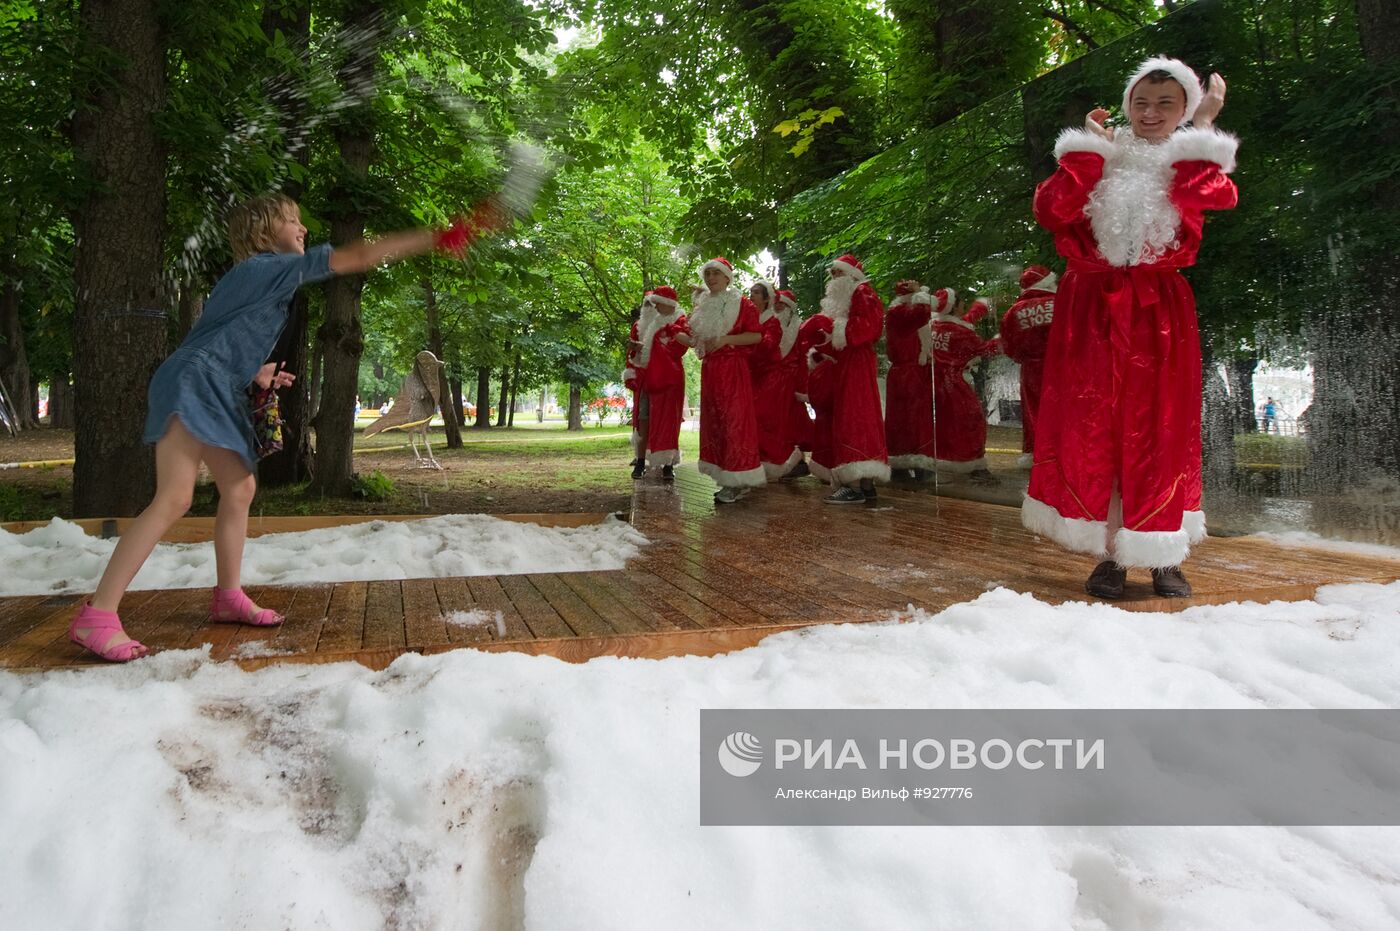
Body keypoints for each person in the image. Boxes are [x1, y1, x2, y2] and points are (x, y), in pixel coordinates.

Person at [66, 194, 495, 661]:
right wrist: (434, 236)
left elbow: (217, 335)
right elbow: (357, 256)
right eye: (292, 221)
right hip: (194, 383)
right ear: (264, 234)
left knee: (240, 487)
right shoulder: (267, 268)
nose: (303, 229)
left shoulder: (255, 280)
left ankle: (228, 596)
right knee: (174, 498)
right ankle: (98, 615)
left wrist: (256, 373)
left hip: (207, 380)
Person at [1023, 56, 1237, 599]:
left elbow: (1213, 195)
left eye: (1166, 104)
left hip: (1158, 311)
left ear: (1184, 108)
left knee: (1160, 428)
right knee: (1097, 430)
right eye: (1141, 102)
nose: (1150, 113)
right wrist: (1088, 153)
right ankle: (1112, 556)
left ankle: (1164, 555)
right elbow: (1052, 210)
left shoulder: (1187, 160)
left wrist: (1205, 130)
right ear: (1126, 106)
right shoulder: (1099, 157)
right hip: (1089, 310)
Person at [673, 257, 766, 503]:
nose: (711, 278)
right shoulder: (702, 306)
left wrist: (726, 340)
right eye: (708, 273)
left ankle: (735, 480)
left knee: (734, 423)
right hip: (711, 371)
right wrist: (679, 336)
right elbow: (697, 341)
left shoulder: (742, 304)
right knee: (716, 423)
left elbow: (756, 336)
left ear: (727, 277)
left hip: (733, 370)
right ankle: (730, 479)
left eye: (716, 273)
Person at [812, 254, 889, 503]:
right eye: (832, 273)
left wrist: (834, 328)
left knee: (856, 417)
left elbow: (868, 327)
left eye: (838, 272)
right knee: (852, 418)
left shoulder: (862, 293)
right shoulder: (853, 297)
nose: (833, 277)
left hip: (857, 365)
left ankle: (856, 485)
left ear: (852, 275)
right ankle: (862, 483)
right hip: (848, 364)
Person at [928, 288, 1000, 481]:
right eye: (962, 304)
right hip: (955, 385)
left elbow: (962, 325)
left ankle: (946, 458)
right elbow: (982, 349)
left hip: (934, 383)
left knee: (944, 425)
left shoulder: (933, 325)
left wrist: (981, 307)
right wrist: (999, 340)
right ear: (956, 306)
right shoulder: (960, 333)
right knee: (971, 421)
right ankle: (973, 463)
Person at [999, 265, 1058, 469]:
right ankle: (1066, 451)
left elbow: (1008, 344)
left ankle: (1039, 455)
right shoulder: (1062, 302)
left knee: (1035, 411)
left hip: (1032, 369)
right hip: (1064, 368)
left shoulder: (1014, 312)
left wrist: (1023, 357)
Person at [629, 286, 689, 479]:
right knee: (643, 419)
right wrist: (637, 352)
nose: (651, 306)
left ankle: (668, 464)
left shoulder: (679, 321)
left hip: (669, 378)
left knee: (669, 421)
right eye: (648, 303)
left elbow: (680, 347)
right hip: (647, 378)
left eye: (654, 302)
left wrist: (658, 347)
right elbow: (639, 352)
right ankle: (640, 462)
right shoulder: (647, 324)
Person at [748, 280, 804, 480]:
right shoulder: (752, 318)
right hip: (755, 377)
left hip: (774, 378)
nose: (751, 296)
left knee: (768, 419)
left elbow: (768, 345)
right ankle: (765, 461)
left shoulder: (772, 322)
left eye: (756, 292)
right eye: (750, 292)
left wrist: (747, 342)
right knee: (759, 420)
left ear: (766, 298)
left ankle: (783, 459)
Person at [883, 279, 936, 479]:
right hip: (909, 374)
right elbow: (923, 312)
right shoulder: (901, 313)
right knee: (913, 420)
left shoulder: (898, 314)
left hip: (908, 373)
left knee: (905, 420)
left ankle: (903, 463)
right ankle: (917, 463)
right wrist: (920, 292)